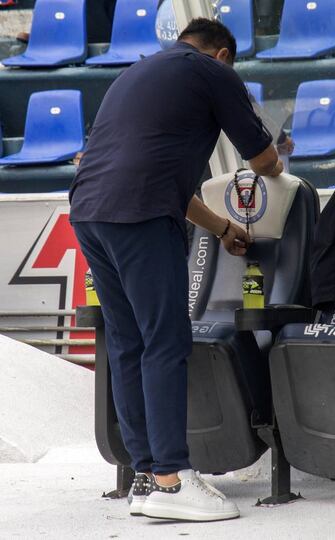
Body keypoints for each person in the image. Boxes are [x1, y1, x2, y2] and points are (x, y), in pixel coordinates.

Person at [69, 17, 283, 522]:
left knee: (127, 342)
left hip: (90, 212)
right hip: (140, 214)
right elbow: (264, 159)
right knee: (166, 340)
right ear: (223, 55)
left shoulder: (134, 76)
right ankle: (172, 477)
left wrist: (221, 226)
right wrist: (275, 162)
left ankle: (144, 475)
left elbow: (158, 177)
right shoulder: (213, 72)